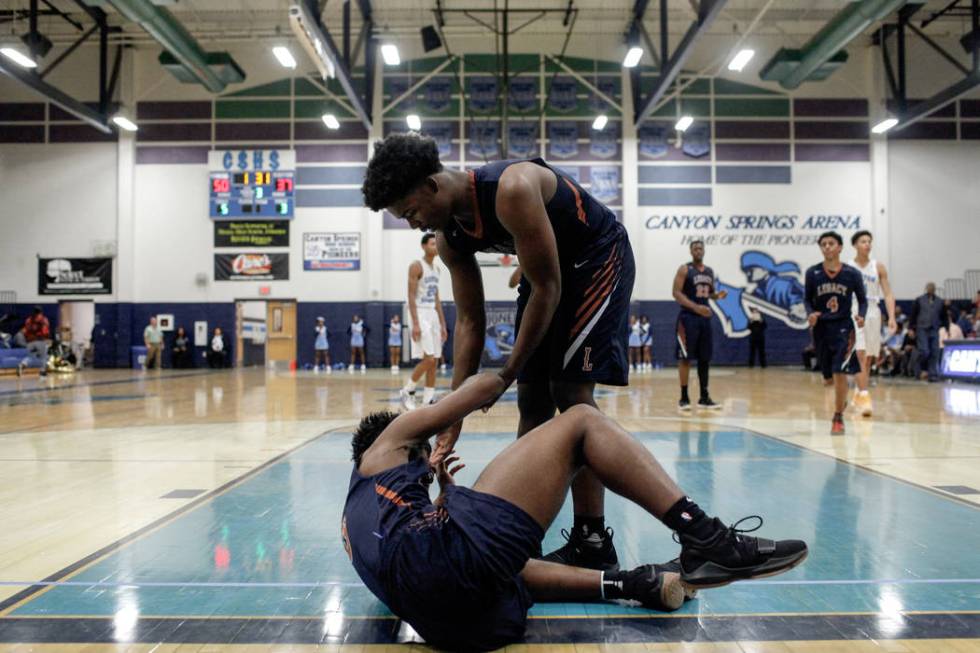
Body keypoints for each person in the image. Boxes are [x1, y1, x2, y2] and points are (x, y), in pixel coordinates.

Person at [344, 372, 809, 651]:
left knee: (497, 565)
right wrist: (523, 361)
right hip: (448, 575)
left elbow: (416, 570)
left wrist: (445, 499)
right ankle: (707, 538)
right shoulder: (387, 441)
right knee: (581, 422)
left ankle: (631, 582)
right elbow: (482, 387)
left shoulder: (355, 517)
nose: (427, 466)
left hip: (457, 626)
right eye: (422, 455)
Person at [363, 133, 636, 571]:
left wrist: (505, 375)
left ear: (432, 186)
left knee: (570, 394)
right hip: (548, 273)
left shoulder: (511, 189)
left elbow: (547, 287)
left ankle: (592, 540)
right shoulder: (450, 237)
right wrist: (452, 416)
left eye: (411, 212)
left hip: (597, 260)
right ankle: (519, 531)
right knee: (532, 401)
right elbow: (470, 321)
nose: (413, 225)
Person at [805, 231, 867, 435]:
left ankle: (837, 417)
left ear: (840, 247)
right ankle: (842, 399)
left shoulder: (852, 274)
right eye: (823, 244)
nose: (827, 247)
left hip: (843, 328)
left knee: (840, 372)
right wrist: (810, 313)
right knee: (828, 379)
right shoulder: (813, 273)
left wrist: (861, 315)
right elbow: (807, 300)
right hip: (822, 328)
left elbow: (863, 299)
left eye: (831, 243)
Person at [672, 240, 727, 411]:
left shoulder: (709, 271)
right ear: (690, 251)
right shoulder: (685, 269)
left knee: (704, 358)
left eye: (700, 248)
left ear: (704, 250)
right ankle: (684, 397)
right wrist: (697, 308)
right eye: (695, 248)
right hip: (688, 318)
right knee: (685, 358)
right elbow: (676, 293)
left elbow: (708, 293)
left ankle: (704, 397)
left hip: (704, 319)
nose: (698, 250)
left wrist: (717, 296)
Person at [848, 231, 897, 417]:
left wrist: (891, 317)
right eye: (863, 241)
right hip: (854, 311)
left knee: (868, 357)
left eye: (869, 241)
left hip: (873, 311)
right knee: (859, 354)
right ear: (855, 245)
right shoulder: (848, 267)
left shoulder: (878, 267)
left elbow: (888, 294)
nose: (867, 244)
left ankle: (858, 393)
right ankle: (865, 395)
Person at [400, 233, 447, 408]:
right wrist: (415, 323)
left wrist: (442, 324)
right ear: (424, 246)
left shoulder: (437, 269)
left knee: (434, 358)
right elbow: (410, 296)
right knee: (428, 358)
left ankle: (428, 399)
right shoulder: (416, 266)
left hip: (432, 313)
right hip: (419, 312)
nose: (436, 247)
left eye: (437, 244)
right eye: (432, 244)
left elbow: (436, 299)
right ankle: (407, 390)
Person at [909, 282, 946, 382]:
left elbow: (944, 315)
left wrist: (946, 327)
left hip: (934, 328)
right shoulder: (919, 300)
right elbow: (913, 315)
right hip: (922, 328)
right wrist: (911, 328)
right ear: (926, 289)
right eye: (929, 288)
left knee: (935, 352)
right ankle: (916, 368)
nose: (931, 289)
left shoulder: (939, 301)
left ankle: (932, 374)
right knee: (924, 351)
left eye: (932, 288)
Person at [17, 306, 50, 377]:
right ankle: (42, 371)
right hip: (40, 341)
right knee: (43, 356)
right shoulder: (43, 319)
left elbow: (25, 332)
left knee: (30, 357)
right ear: (41, 311)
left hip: (30, 342)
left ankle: (22, 364)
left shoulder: (28, 320)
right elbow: (45, 331)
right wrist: (46, 337)